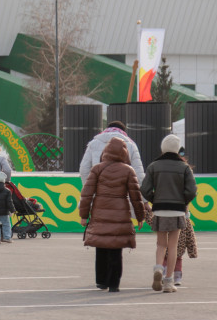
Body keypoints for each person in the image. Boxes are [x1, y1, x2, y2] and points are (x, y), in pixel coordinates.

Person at [79, 137, 147, 291]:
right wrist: (140, 216)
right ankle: (114, 284)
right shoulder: (128, 170)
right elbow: (135, 196)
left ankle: (101, 281)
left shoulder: (97, 169)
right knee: (116, 249)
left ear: (105, 152)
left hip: (99, 212)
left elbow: (87, 194)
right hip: (120, 214)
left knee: (101, 246)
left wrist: (84, 215)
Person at [141, 134, 197, 294]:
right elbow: (192, 190)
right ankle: (168, 282)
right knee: (172, 247)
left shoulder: (153, 166)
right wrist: (183, 201)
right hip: (177, 210)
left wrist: (154, 200)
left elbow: (144, 189)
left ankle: (158, 268)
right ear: (177, 149)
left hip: (159, 210)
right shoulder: (184, 168)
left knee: (160, 245)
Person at [80, 120, 146, 185]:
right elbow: (138, 174)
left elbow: (84, 169)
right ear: (123, 131)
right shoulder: (131, 145)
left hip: (99, 190)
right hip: (123, 191)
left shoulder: (93, 143)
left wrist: (90, 187)